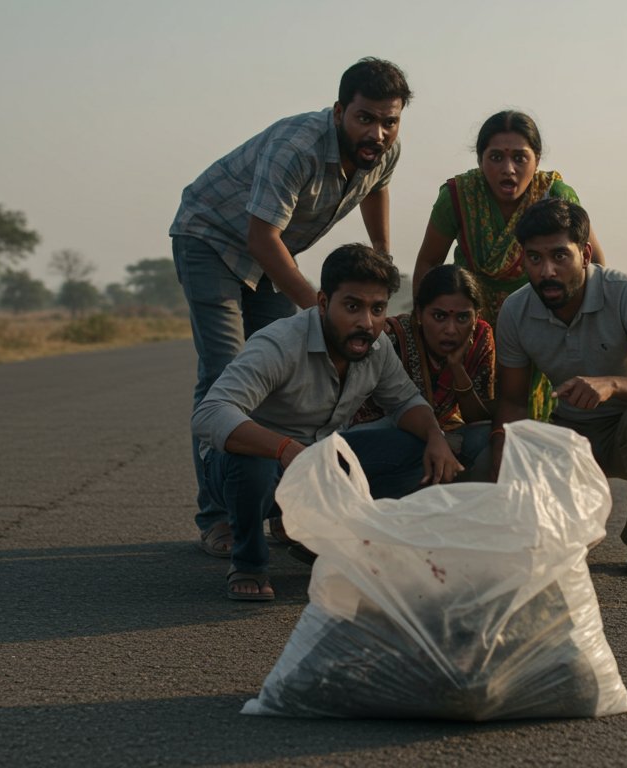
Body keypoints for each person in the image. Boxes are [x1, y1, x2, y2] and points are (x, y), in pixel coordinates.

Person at [169, 58, 412, 561]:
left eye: (390, 121)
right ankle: (218, 517)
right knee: (225, 374)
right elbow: (261, 236)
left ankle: (284, 507)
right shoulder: (297, 148)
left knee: (286, 369)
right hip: (212, 238)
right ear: (341, 110)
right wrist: (318, 308)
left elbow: (376, 187)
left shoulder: (383, 150)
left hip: (271, 253)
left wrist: (382, 259)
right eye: (365, 118)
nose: (379, 132)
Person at [192, 244, 460, 601]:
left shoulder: (375, 348)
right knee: (251, 464)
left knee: (415, 450)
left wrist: (435, 436)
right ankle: (249, 562)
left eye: (377, 309)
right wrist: (286, 449)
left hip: (316, 464)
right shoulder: (280, 343)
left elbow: (406, 401)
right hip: (251, 468)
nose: (366, 322)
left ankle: (322, 535)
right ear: (322, 303)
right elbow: (210, 412)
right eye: (352, 307)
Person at [492, 199, 627, 576]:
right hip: (573, 436)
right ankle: (574, 522)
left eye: (559, 256)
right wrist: (504, 476)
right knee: (549, 545)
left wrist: (613, 384)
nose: (546, 271)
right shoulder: (516, 311)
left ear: (584, 254)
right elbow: (513, 402)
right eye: (534, 258)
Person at [410, 110, 603, 420]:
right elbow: (429, 262)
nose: (508, 169)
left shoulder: (557, 195)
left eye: (519, 158)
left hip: (540, 315)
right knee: (475, 413)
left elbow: (595, 266)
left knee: (536, 411)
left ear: (537, 160)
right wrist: (425, 328)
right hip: (473, 322)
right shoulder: (458, 196)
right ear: (480, 160)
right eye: (496, 157)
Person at [349, 264, 495, 477]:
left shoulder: (480, 337)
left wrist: (457, 368)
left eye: (463, 318)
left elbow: (478, 418)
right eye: (439, 317)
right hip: (384, 433)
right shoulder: (393, 337)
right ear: (419, 313)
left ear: (476, 316)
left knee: (489, 437)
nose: (451, 329)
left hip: (444, 431)